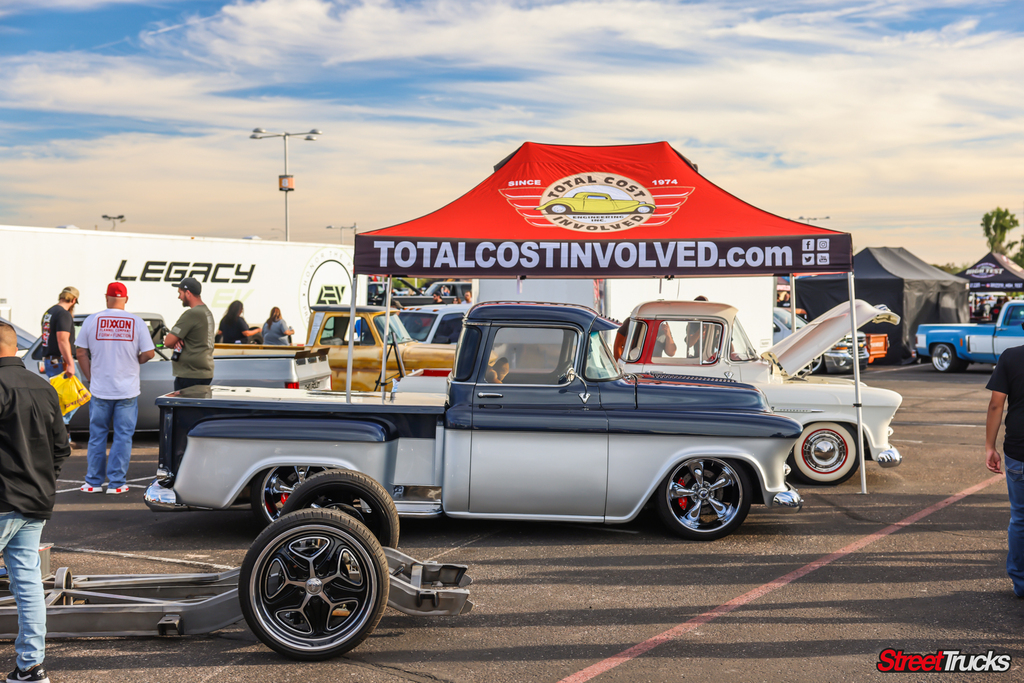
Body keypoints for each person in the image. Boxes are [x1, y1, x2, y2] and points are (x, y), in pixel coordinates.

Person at [0, 320, 71, 683]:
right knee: (27, 586)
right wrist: (42, 482)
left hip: (3, 502)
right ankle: (30, 667)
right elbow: (62, 448)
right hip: (35, 502)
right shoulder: (44, 387)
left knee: (26, 584)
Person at [74, 283, 155, 495]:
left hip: (100, 389)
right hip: (127, 390)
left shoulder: (92, 320)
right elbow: (149, 353)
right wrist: (136, 360)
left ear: (106, 297)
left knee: (97, 436)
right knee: (122, 437)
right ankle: (117, 484)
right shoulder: (137, 322)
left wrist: (90, 377)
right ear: (126, 299)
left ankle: (93, 482)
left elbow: (81, 352)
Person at [986, 336, 1024, 599]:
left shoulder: (1010, 357)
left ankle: (1021, 583)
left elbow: (996, 404)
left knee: (1020, 518)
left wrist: (990, 446)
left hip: (1018, 448)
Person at [164, 277, 216, 392]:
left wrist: (178, 339)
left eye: (180, 293)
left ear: (188, 293)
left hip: (190, 374)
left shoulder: (192, 314)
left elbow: (168, 342)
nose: (179, 297)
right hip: (203, 372)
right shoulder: (206, 312)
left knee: (184, 404)